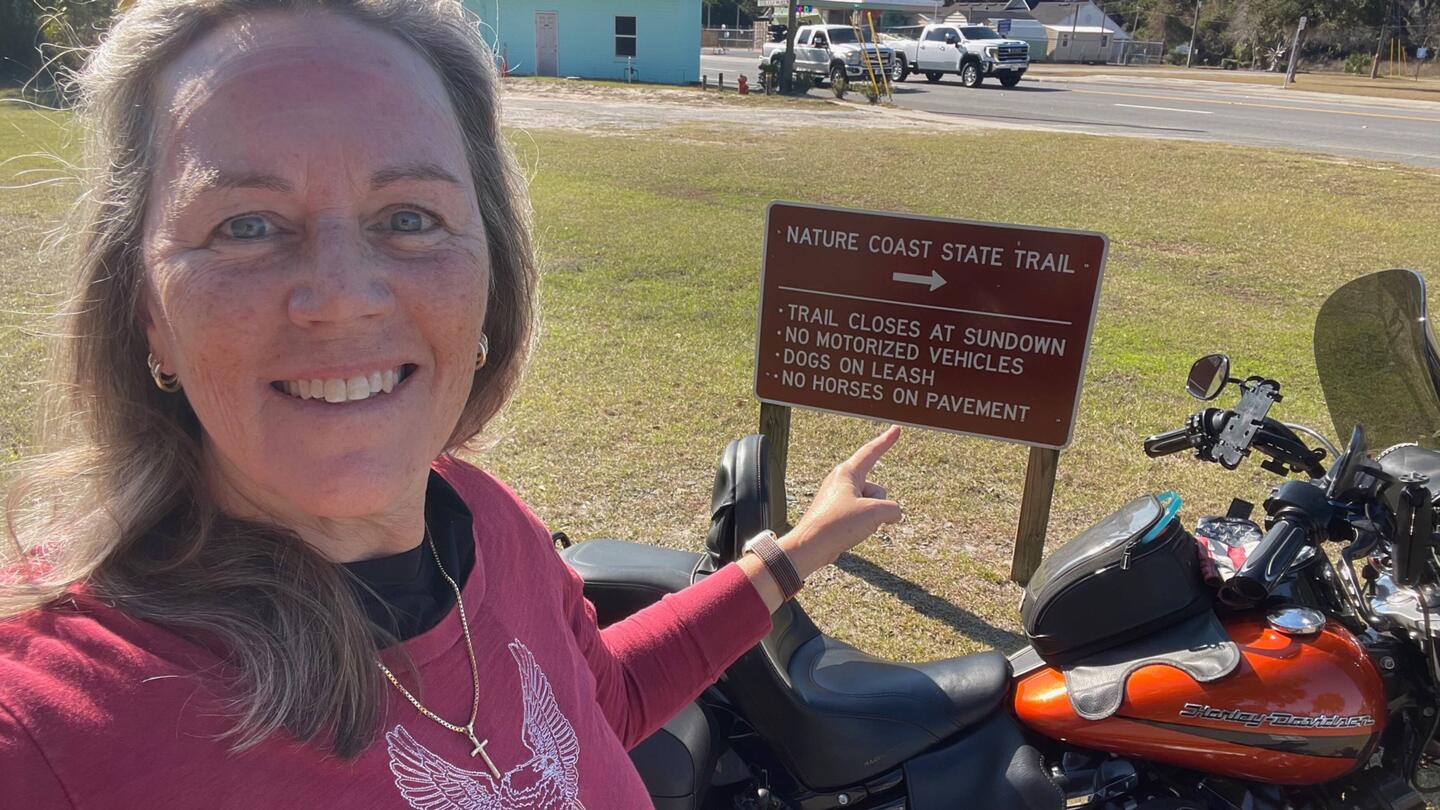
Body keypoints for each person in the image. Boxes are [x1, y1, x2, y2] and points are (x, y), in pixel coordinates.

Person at [0, 1, 903, 807]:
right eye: (246, 226)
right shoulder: (45, 734)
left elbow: (604, 701)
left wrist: (800, 548)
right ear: (145, 309)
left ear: (490, 283)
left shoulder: (481, 518)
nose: (343, 296)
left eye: (409, 217)